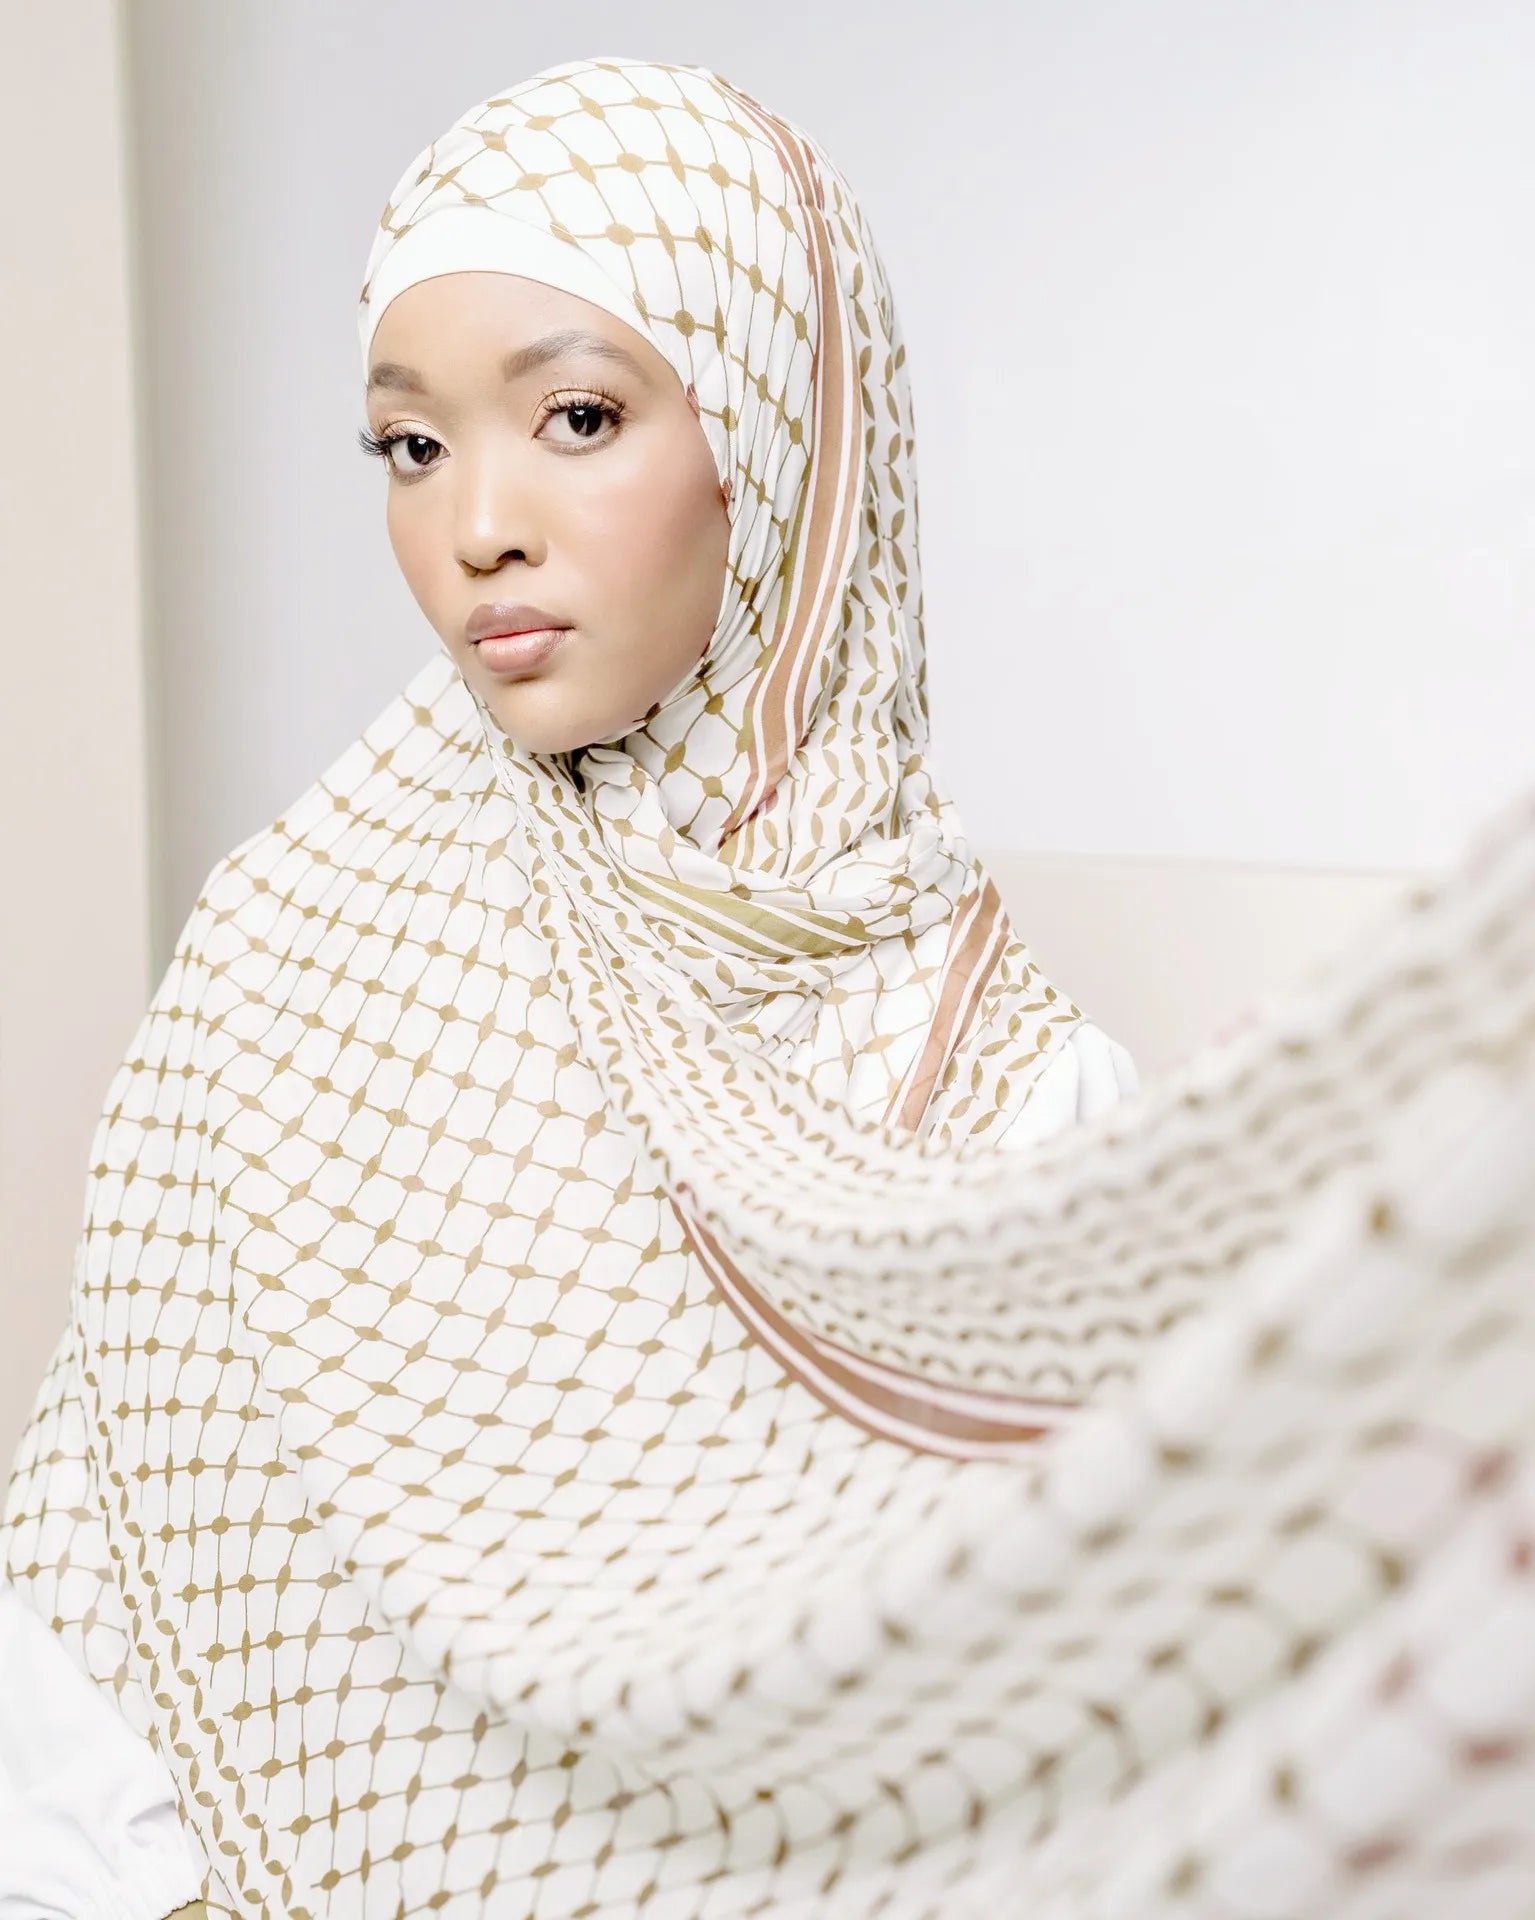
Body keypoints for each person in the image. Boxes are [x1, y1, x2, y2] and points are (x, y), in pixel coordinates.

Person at [4, 54, 1533, 1920]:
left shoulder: (1004, 1101)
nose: (475, 525)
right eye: (411, 446)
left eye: (575, 416)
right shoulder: (289, 963)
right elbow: (94, 1600)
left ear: (779, 441)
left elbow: (1053, 1733)